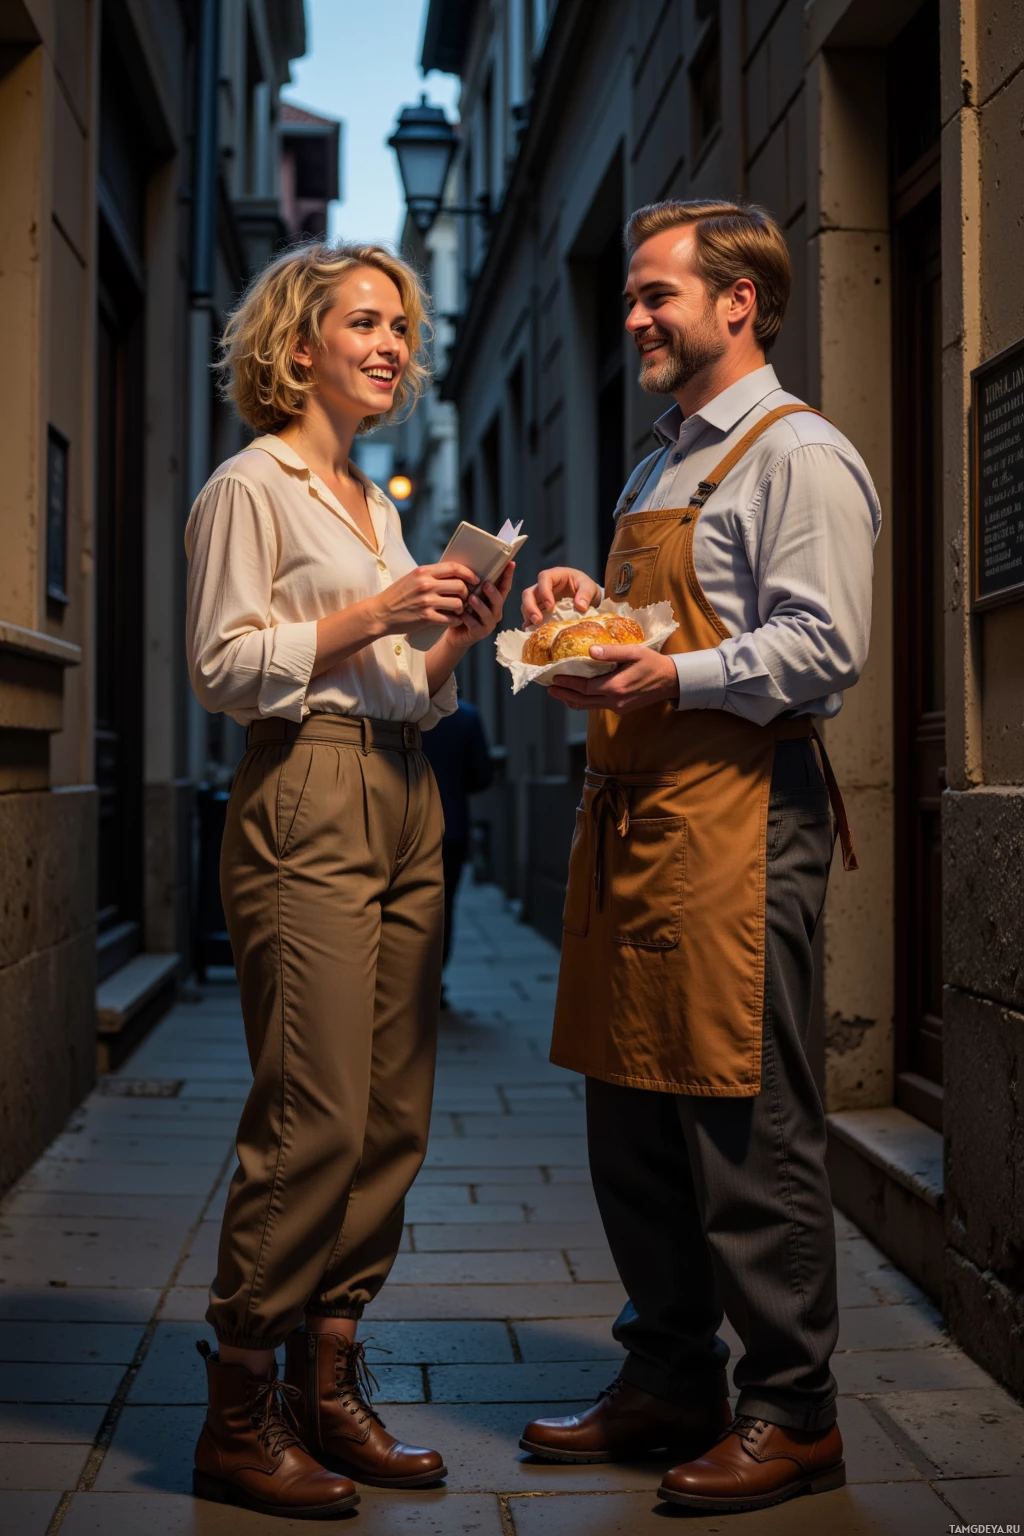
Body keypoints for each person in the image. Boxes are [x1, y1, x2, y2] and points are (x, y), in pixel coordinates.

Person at [517, 200, 879, 1515]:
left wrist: (669, 670)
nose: (634, 317)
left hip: (739, 820)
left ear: (742, 303)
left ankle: (793, 1410)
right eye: (630, 296)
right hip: (640, 822)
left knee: (744, 1123)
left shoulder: (801, 458)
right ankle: (670, 1374)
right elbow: (657, 632)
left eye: (658, 294)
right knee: (634, 1118)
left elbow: (822, 649)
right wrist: (582, 610)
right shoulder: (658, 466)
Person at [184, 242, 513, 1520]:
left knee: (391, 1113)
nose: (391, 344)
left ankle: (330, 1382)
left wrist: (442, 647)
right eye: (364, 322)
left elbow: (396, 687)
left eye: (399, 326)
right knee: (311, 1108)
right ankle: (237, 1402)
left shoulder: (373, 505)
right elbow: (223, 664)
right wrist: (375, 616)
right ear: (297, 343)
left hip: (399, 783)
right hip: (304, 787)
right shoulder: (247, 487)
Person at [421, 698, 493, 1003]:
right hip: (450, 828)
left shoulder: (391, 712)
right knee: (442, 910)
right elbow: (482, 776)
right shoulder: (464, 716)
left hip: (399, 825)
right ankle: (432, 986)